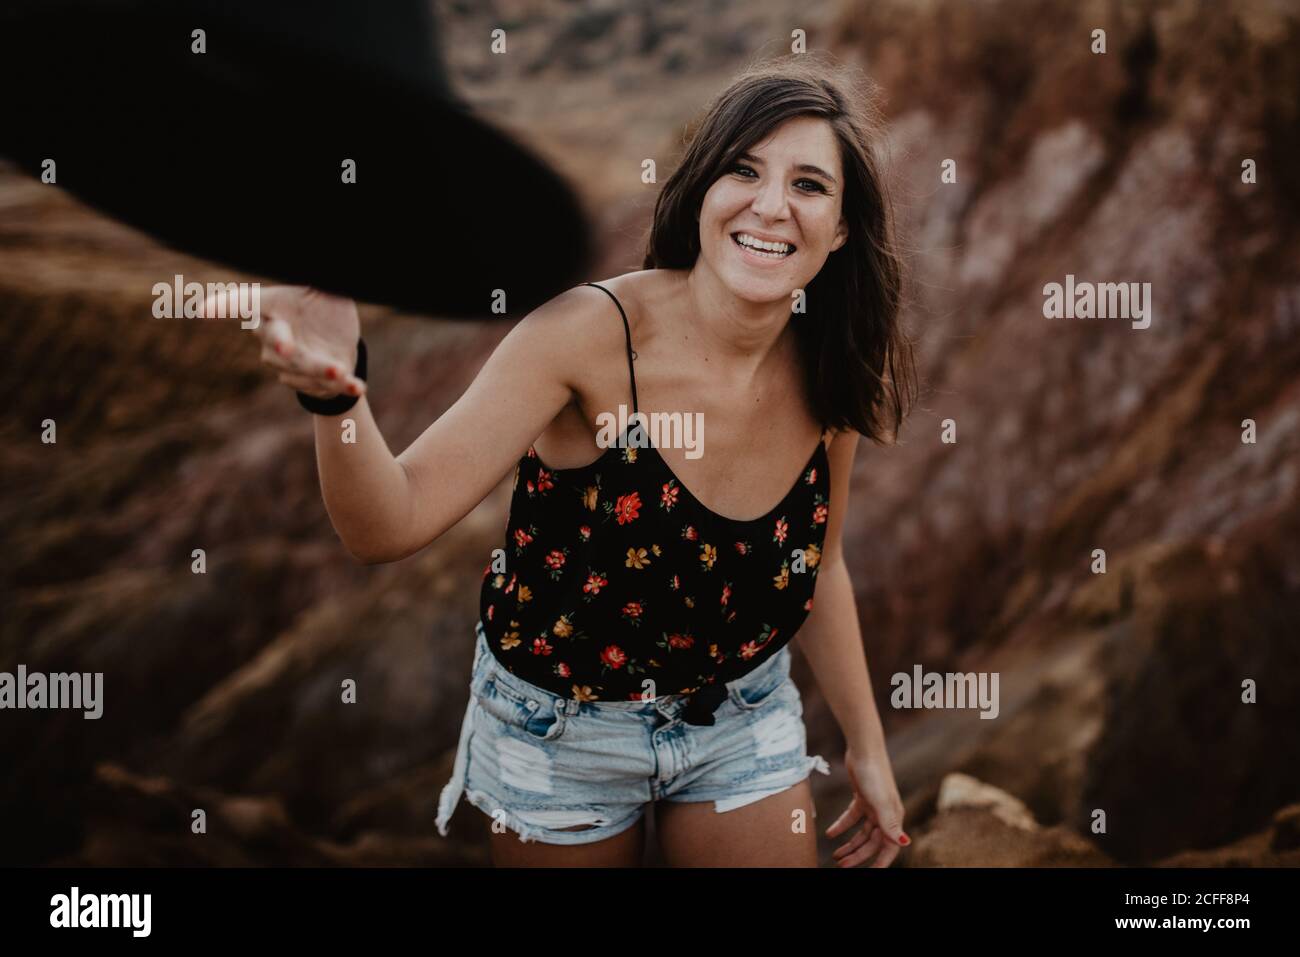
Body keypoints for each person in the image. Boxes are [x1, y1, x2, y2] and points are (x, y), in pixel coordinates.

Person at [222, 54, 918, 867]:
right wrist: (338, 399)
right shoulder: (587, 338)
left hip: (740, 711)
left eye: (809, 184)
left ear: (839, 229)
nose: (771, 205)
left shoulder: (829, 369)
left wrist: (868, 746)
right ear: (702, 190)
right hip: (558, 731)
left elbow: (819, 567)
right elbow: (389, 523)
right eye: (744, 169)